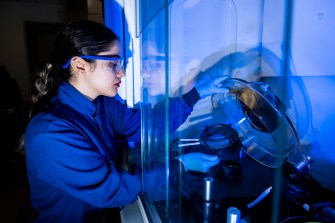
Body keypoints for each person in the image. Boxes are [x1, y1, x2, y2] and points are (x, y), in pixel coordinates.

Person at [24, 20, 228, 223]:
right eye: (113, 64)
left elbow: (148, 126)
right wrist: (180, 165)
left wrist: (197, 92)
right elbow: (110, 189)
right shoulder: (51, 132)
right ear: (80, 65)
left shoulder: (103, 105)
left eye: (120, 63)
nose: (121, 72)